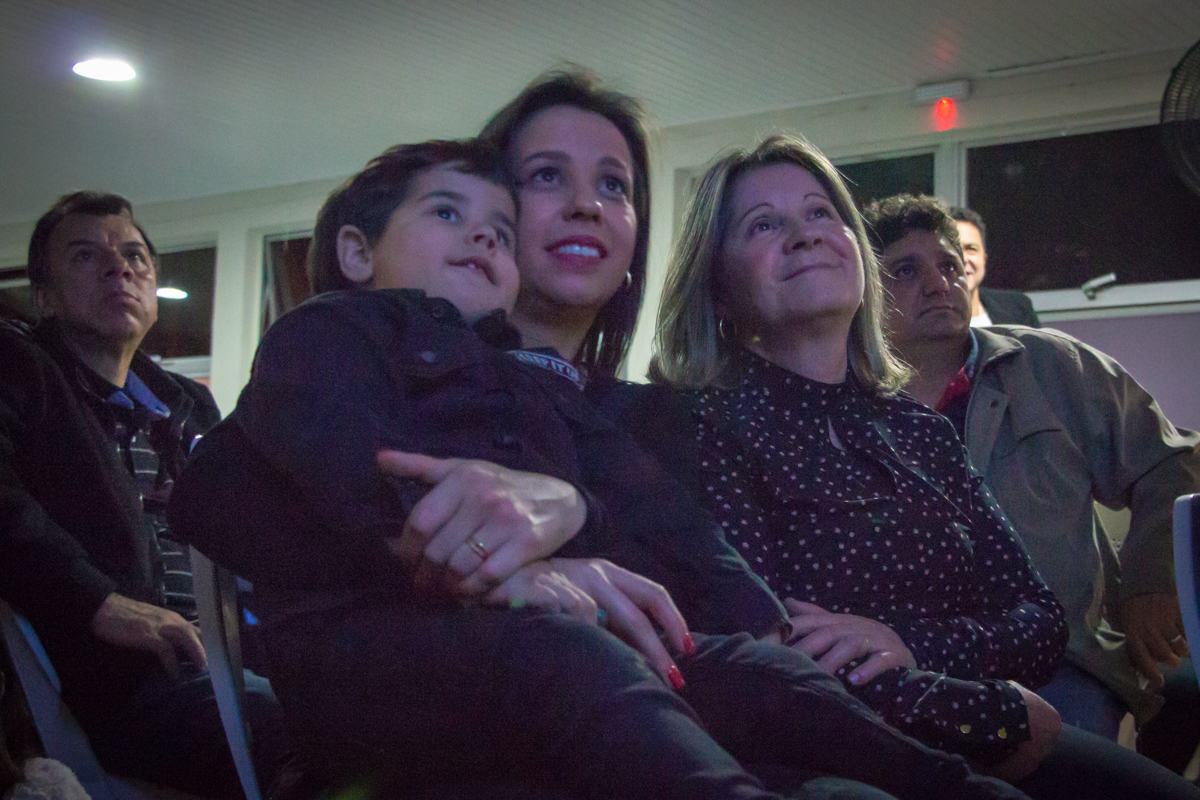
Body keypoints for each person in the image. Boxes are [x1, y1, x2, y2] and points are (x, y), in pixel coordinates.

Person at [168, 119, 1029, 800]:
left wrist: (744, 608)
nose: (483, 240)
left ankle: (957, 787)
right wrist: (474, 558)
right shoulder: (333, 330)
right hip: (378, 659)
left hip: (550, 647)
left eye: (500, 232)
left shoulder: (529, 385)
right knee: (573, 658)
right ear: (357, 252)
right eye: (448, 215)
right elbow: (312, 448)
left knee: (754, 671)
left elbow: (653, 511)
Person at [646, 134, 1200, 800]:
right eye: (764, 224)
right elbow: (778, 672)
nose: (805, 235)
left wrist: (907, 642)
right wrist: (993, 715)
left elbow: (1039, 620)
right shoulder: (703, 427)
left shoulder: (920, 431)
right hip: (849, 759)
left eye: (822, 213)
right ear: (718, 287)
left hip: (999, 726)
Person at [864, 194, 1200, 755]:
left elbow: (1170, 459)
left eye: (950, 265)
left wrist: (1151, 576)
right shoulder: (850, 406)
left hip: (1063, 663)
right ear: (867, 294)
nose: (939, 283)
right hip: (913, 661)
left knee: (1065, 767)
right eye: (906, 270)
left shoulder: (1051, 365)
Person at [0, 192, 292, 797]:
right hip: (123, 684)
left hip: (232, 657)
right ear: (46, 297)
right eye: (87, 256)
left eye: (135, 256)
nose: (120, 269)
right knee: (305, 726)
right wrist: (98, 602)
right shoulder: (19, 370)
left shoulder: (188, 407)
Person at [947, 207, 1039, 327]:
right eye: (955, 249)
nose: (963, 259)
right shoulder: (921, 322)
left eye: (971, 249)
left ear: (984, 259)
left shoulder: (1018, 309)